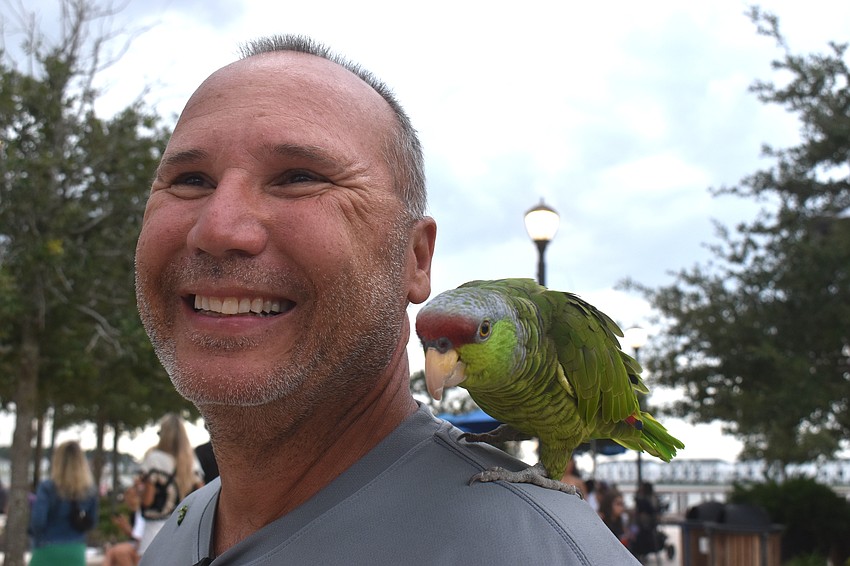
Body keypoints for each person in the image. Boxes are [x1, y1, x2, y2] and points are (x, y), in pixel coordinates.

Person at [133, 34, 639, 564]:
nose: (218, 228)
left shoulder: (541, 552)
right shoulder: (178, 532)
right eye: (190, 180)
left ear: (416, 260)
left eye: (299, 178)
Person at [137, 413, 203, 554]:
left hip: (154, 531)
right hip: (182, 531)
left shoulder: (154, 459)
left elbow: (148, 501)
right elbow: (202, 493)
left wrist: (139, 492)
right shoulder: (191, 461)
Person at [28, 440, 98, 566]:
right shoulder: (89, 490)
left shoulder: (47, 488)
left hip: (47, 548)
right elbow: (92, 522)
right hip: (75, 550)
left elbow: (38, 522)